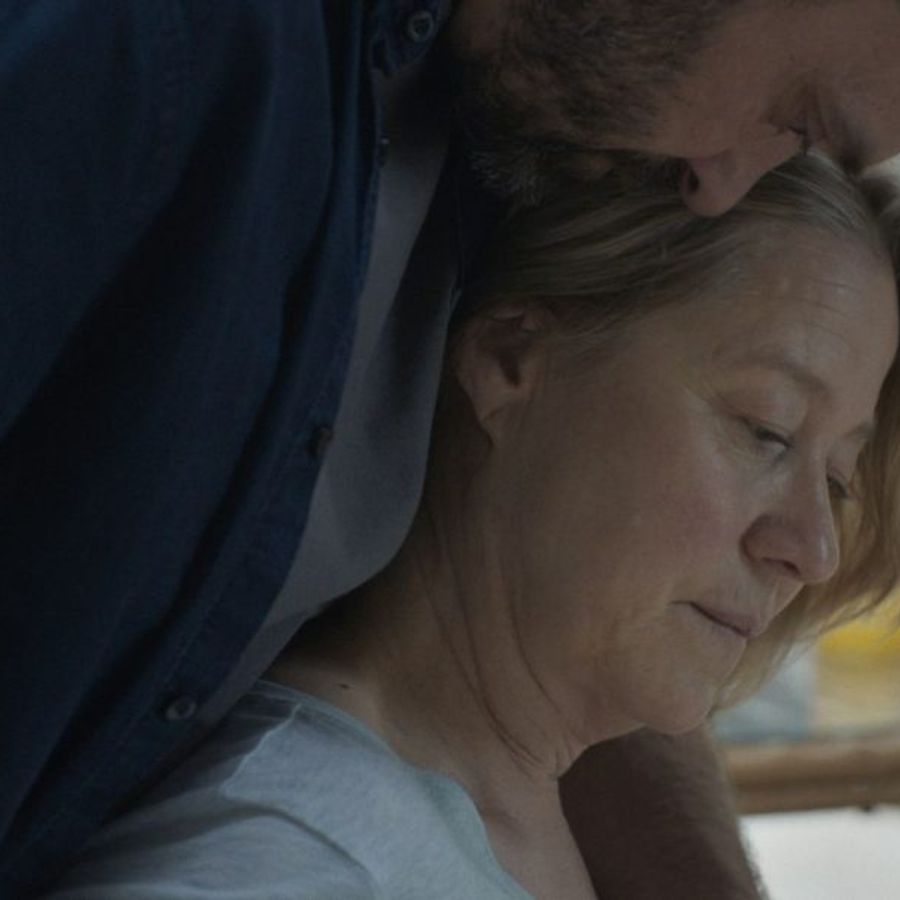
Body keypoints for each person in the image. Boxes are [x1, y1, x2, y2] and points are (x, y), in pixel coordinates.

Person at [5, 0, 900, 894]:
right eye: (766, 429)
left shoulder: (527, 114)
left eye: (839, 477)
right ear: (507, 357)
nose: (816, 553)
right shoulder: (303, 861)